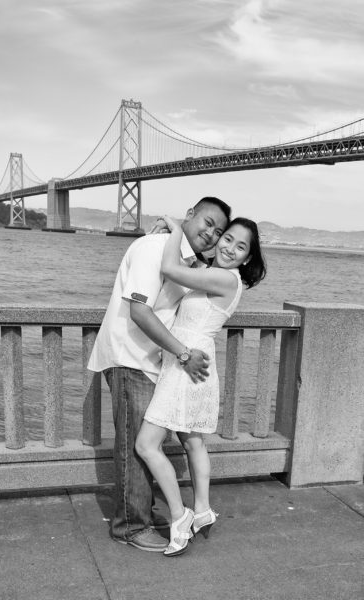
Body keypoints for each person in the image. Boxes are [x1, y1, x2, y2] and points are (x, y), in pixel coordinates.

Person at [87, 197, 231, 552]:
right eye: (207, 223)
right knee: (135, 447)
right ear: (190, 215)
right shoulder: (153, 247)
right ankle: (131, 527)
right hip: (130, 356)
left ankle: (143, 515)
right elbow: (139, 311)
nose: (211, 234)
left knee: (144, 444)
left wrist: (177, 231)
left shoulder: (186, 260)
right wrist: (183, 353)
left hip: (154, 361)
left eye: (219, 231)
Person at [135, 215, 266, 557]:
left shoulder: (224, 277)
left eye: (241, 247)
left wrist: (176, 227)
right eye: (228, 239)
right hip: (193, 361)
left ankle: (180, 517)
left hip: (187, 365)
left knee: (147, 445)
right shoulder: (220, 277)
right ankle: (204, 509)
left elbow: (169, 268)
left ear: (248, 257)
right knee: (192, 439)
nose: (230, 248)